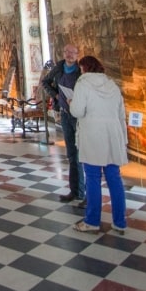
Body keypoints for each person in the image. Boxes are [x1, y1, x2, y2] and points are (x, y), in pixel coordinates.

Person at [69, 55, 128, 235]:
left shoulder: (83, 83)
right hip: (112, 134)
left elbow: (78, 111)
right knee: (114, 178)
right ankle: (120, 222)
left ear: (85, 68)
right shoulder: (112, 85)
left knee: (93, 178)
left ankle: (92, 220)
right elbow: (120, 114)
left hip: (93, 134)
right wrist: (123, 139)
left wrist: (71, 103)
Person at [41, 44, 86, 205]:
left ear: (77, 54)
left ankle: (83, 191)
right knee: (71, 154)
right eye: (67, 52)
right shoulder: (59, 68)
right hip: (66, 114)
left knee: (82, 154)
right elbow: (45, 82)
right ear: (63, 53)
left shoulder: (81, 70)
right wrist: (56, 95)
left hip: (80, 116)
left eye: (73, 53)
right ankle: (75, 191)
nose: (69, 55)